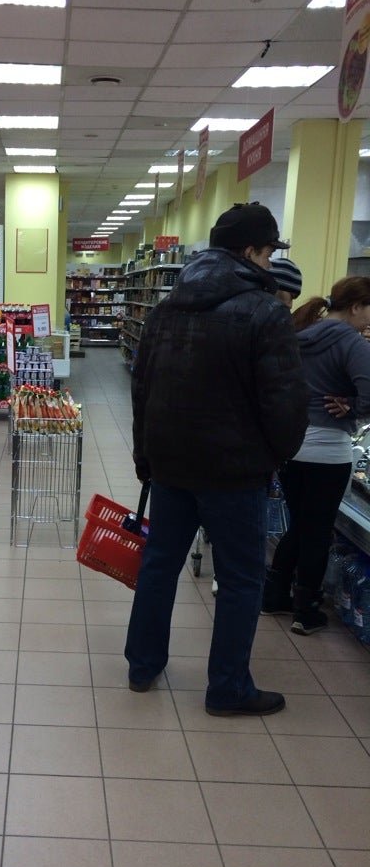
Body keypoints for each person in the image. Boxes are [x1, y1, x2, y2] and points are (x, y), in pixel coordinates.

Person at [127, 202, 308, 717]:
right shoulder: (265, 312)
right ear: (250, 251)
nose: (270, 262)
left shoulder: (166, 309)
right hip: (235, 474)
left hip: (170, 466)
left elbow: (142, 389)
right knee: (241, 580)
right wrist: (277, 455)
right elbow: (285, 402)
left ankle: (142, 665)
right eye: (268, 252)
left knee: (158, 566)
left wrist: (145, 455)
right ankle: (227, 688)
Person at [262, 276, 370, 634]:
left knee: (300, 524)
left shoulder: (301, 335)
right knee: (318, 531)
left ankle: (275, 594)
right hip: (329, 453)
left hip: (293, 447)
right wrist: (353, 407)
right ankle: (305, 609)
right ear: (356, 306)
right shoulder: (352, 343)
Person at [209, 254, 305, 598]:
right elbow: (282, 399)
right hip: (245, 455)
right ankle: (230, 573)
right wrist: (281, 450)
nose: (287, 307)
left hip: (214, 450)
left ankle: (226, 569)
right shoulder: (266, 324)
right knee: (241, 563)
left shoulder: (219, 315)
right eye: (286, 298)